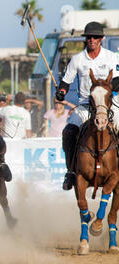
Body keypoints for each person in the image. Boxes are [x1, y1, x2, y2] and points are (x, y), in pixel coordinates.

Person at [56, 21, 119, 190]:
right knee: (68, 132)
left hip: (109, 106)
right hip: (85, 106)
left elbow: (117, 79)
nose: (91, 39)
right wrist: (61, 91)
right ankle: (70, 172)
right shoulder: (77, 59)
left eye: (95, 37)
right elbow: (66, 81)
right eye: (89, 37)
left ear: (101, 38)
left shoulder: (111, 57)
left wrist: (113, 86)